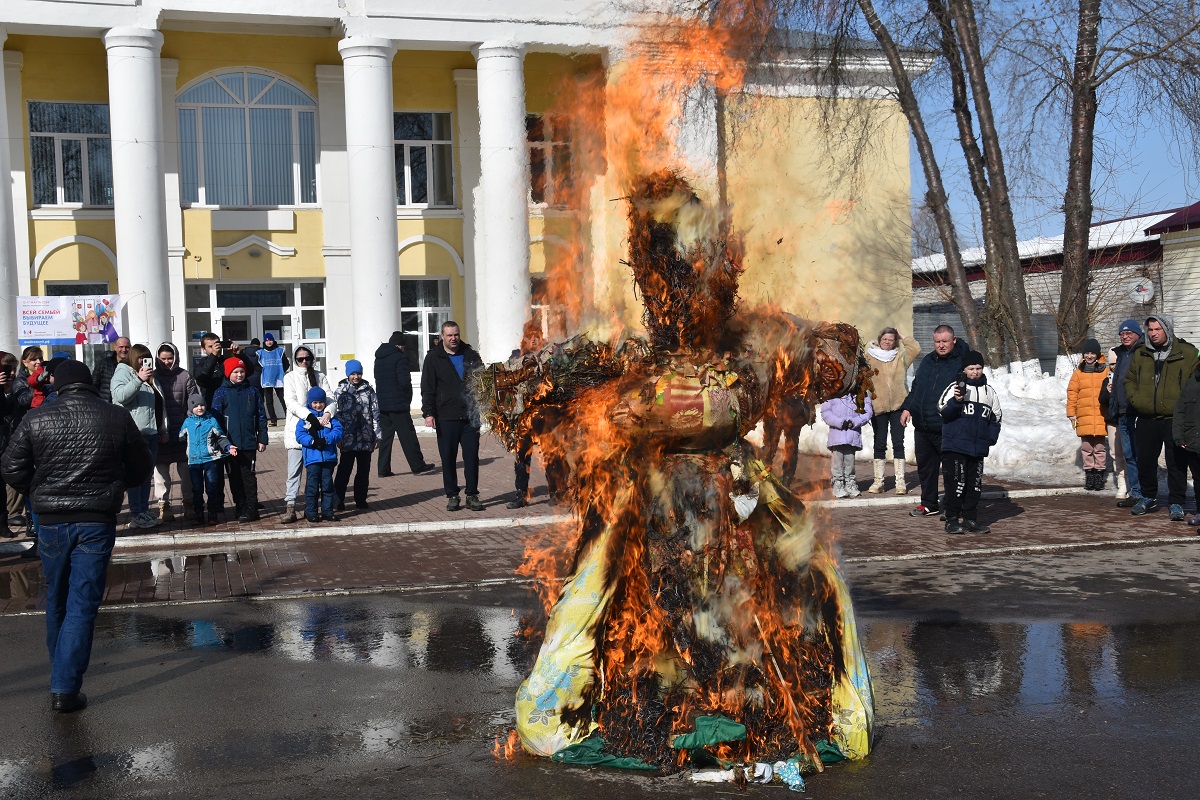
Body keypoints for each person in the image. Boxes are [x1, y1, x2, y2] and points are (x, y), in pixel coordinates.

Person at [1, 359, 154, 713]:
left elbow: (10, 467)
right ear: (87, 384)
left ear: (59, 385)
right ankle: (65, 686)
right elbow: (142, 465)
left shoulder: (38, 417)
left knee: (57, 596)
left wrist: (37, 491)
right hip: (95, 519)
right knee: (82, 602)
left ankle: (62, 676)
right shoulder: (114, 416)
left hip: (52, 520)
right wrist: (116, 485)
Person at [1124, 313, 1198, 520]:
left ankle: (1176, 501)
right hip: (1147, 417)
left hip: (1174, 418)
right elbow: (1129, 379)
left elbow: (1194, 385)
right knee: (1146, 460)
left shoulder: (1188, 353)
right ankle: (1148, 496)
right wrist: (1137, 400)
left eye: (1158, 329)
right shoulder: (1141, 353)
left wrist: (1185, 408)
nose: (1154, 333)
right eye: (1151, 329)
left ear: (1168, 329)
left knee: (1176, 463)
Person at [901, 324, 968, 518]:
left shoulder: (962, 361)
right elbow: (916, 387)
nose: (941, 345)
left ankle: (954, 506)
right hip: (922, 426)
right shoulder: (928, 361)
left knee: (950, 470)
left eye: (945, 341)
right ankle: (929, 504)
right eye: (937, 341)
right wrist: (907, 407)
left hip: (946, 426)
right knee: (926, 469)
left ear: (953, 340)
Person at [421, 321, 485, 511]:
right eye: (449, 335)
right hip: (445, 416)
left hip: (470, 416)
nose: (453, 338)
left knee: (471, 457)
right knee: (448, 458)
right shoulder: (433, 358)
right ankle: (452, 495)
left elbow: (483, 381)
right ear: (442, 336)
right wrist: (428, 412)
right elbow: (428, 388)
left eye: (456, 334)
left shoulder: (471, 355)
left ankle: (472, 495)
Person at [937, 350, 1002, 534]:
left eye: (979, 368)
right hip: (955, 446)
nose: (975, 372)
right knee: (956, 485)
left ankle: (970, 519)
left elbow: (996, 418)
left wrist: (989, 438)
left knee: (974, 486)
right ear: (964, 370)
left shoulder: (990, 392)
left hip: (977, 448)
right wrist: (957, 401)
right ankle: (951, 519)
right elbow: (942, 410)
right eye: (971, 368)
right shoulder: (954, 388)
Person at [110, 344, 166, 529]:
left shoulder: (150, 377)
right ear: (134, 358)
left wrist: (162, 428)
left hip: (151, 432)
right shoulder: (123, 373)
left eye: (148, 357)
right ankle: (136, 513)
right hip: (134, 434)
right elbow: (119, 396)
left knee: (146, 475)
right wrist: (139, 380)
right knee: (136, 475)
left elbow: (158, 405)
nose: (145, 361)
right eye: (141, 358)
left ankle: (143, 509)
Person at [211, 357, 268, 523]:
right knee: (234, 476)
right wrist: (222, 442)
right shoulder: (221, 393)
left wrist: (262, 438)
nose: (239, 374)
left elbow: (261, 416)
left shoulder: (252, 391)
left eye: (242, 371)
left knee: (249, 476)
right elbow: (216, 420)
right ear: (228, 374)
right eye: (235, 372)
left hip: (249, 442)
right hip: (231, 444)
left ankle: (251, 507)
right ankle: (240, 505)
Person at [865, 327, 920, 494]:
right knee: (879, 442)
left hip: (898, 406)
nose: (888, 342)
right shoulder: (870, 356)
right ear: (880, 339)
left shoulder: (900, 357)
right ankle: (878, 481)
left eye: (891, 339)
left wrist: (903, 336)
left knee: (898, 442)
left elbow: (916, 349)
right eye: (885, 339)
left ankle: (900, 482)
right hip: (878, 406)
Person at [280, 345, 332, 523]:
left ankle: (319, 508)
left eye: (307, 358)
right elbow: (291, 403)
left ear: (312, 358)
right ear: (295, 360)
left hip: (320, 432)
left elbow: (331, 399)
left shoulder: (320, 376)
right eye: (300, 359)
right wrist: (308, 415)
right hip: (298, 431)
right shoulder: (290, 377)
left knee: (318, 473)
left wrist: (327, 413)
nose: (304, 362)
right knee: (294, 472)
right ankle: (291, 507)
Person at [374, 331, 433, 476]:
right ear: (399, 345)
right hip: (398, 404)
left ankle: (383, 469)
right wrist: (407, 399)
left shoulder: (379, 358)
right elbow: (404, 381)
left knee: (386, 438)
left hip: (383, 403)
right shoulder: (399, 357)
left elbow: (377, 379)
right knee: (408, 436)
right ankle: (417, 465)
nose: (404, 349)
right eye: (403, 347)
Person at [153, 342, 198, 522]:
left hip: (182, 431)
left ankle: (189, 504)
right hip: (160, 431)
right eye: (162, 358)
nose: (166, 362)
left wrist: (189, 420)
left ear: (176, 357)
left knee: (186, 472)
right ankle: (164, 506)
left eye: (169, 358)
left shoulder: (185, 375)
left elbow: (194, 400)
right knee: (161, 474)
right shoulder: (153, 376)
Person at [178, 392, 236, 526]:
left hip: (210, 459)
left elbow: (220, 437)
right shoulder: (187, 422)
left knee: (211, 487)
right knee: (197, 489)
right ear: (190, 408)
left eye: (202, 405)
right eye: (196, 405)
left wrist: (228, 447)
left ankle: (212, 514)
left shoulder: (211, 420)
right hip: (193, 461)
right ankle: (198, 514)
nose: (200, 408)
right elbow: (181, 436)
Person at [333, 359, 380, 511]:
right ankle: (338, 500)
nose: (356, 377)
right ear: (348, 374)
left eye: (358, 373)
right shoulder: (341, 391)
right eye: (353, 374)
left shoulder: (369, 390)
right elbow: (337, 416)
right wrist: (338, 436)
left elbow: (375, 413)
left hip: (366, 439)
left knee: (363, 472)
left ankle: (361, 499)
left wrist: (377, 435)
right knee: (344, 471)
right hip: (347, 439)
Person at [1107, 319, 1144, 506]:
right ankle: (1135, 491)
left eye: (1129, 333)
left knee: (1142, 454)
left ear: (1138, 334)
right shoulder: (1121, 354)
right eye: (1122, 333)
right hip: (1123, 412)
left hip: (1140, 413)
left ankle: (1146, 492)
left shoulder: (1144, 352)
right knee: (1128, 454)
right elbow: (1117, 384)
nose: (1125, 336)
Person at [1066, 338, 1110, 491]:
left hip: (1100, 415)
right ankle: (1089, 474)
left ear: (1098, 355)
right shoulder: (1078, 373)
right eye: (1087, 353)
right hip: (1083, 416)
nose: (1090, 356)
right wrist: (1072, 414)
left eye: (1093, 353)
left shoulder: (1105, 371)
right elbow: (1072, 394)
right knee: (1086, 447)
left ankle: (1099, 475)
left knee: (1099, 447)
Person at [296, 386, 343, 523]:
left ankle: (327, 511)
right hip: (312, 459)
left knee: (328, 486)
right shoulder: (305, 418)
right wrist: (312, 441)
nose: (318, 405)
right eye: (314, 402)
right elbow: (300, 435)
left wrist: (327, 440)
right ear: (310, 403)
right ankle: (311, 512)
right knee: (312, 486)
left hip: (328, 457)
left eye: (320, 402)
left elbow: (338, 431)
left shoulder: (330, 417)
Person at [0, 352, 33, 539]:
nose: (11, 373)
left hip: (8, 441)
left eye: (13, 369)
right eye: (7, 369)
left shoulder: (15, 387)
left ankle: (5, 521)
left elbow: (11, 409)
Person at [821, 390, 873, 498]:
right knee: (837, 461)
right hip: (837, 435)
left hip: (852, 435)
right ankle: (838, 483)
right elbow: (826, 412)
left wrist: (855, 421)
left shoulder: (859, 393)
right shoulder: (832, 393)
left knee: (850, 460)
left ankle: (850, 483)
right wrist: (839, 422)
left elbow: (867, 411)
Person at [1173, 355, 1200, 527]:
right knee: (1198, 480)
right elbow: (1180, 412)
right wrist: (1179, 436)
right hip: (1193, 440)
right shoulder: (1191, 384)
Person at [257, 332, 289, 426]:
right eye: (267, 340)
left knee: (283, 398)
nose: (269, 342)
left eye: (270, 340)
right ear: (264, 342)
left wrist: (280, 371)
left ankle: (289, 416)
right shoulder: (261, 352)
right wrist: (263, 371)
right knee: (269, 400)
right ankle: (273, 419)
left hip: (278, 379)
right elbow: (257, 365)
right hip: (267, 379)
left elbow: (286, 363)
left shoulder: (279, 351)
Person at [90, 336, 130, 404]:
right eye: (121, 347)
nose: (124, 350)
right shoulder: (103, 364)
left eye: (127, 347)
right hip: (106, 406)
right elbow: (93, 386)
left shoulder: (133, 365)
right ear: (115, 348)